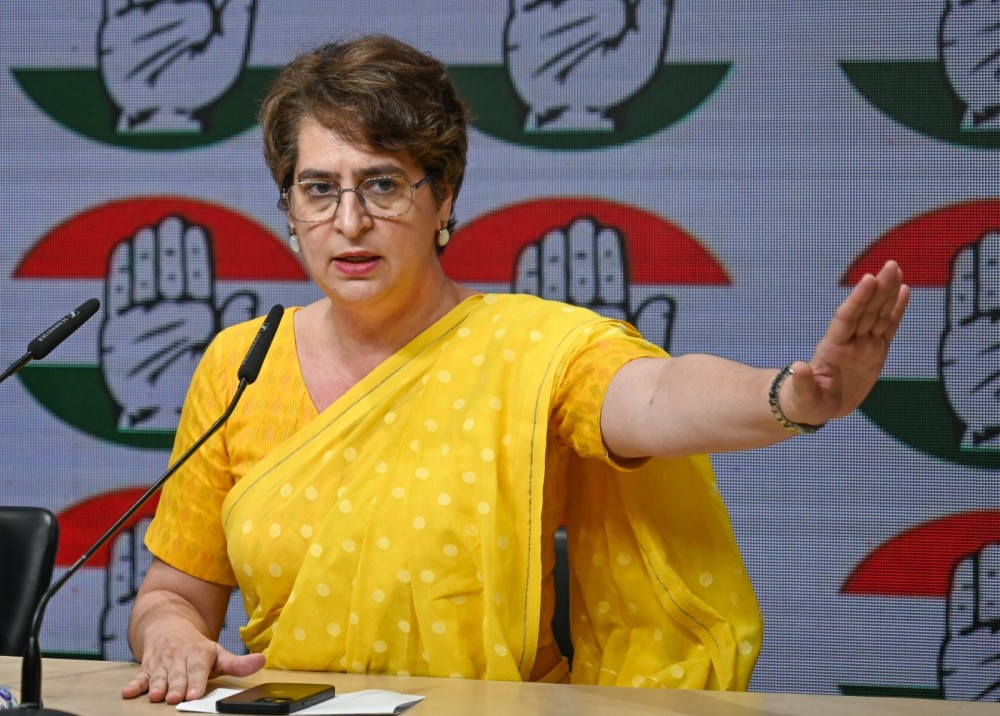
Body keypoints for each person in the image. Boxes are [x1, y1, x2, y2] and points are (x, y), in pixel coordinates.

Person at [120, 34, 910, 705]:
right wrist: (170, 639)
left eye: (384, 185)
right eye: (319, 190)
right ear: (288, 208)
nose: (349, 222)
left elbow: (657, 397)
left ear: (446, 197)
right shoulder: (241, 363)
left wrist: (795, 397)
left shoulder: (531, 349)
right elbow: (172, 593)